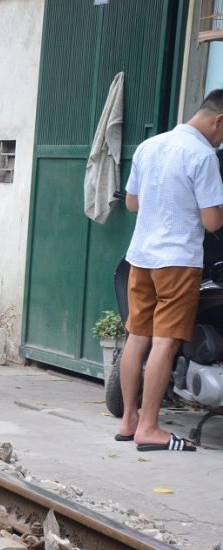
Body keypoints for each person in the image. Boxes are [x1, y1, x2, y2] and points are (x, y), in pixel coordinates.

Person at [117, 89, 223, 452]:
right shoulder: (203, 155)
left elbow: (131, 203)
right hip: (177, 260)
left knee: (137, 335)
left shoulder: (151, 145)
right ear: (218, 121)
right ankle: (150, 428)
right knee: (166, 340)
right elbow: (212, 222)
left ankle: (129, 420)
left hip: (141, 255)